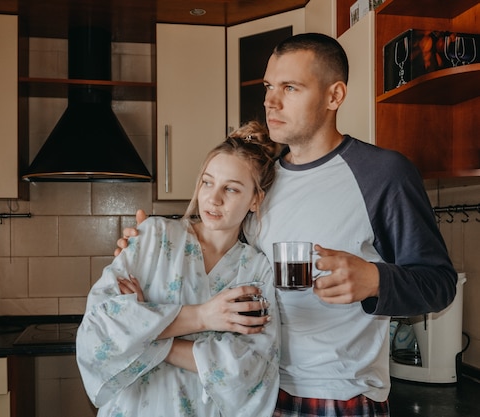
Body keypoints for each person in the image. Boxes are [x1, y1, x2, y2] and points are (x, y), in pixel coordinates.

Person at [115, 33, 458, 417]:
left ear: (334, 96)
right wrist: (146, 249)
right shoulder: (260, 182)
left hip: (337, 396)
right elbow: (214, 256)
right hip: (251, 388)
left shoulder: (383, 174)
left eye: (290, 88)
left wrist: (374, 280)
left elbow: (439, 284)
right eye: (268, 87)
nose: (270, 102)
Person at [76, 121, 282, 417]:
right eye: (207, 182)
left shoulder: (256, 269)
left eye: (232, 189)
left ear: (255, 199)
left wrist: (147, 331)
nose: (214, 198)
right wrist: (202, 317)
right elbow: (98, 333)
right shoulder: (153, 237)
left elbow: (248, 369)